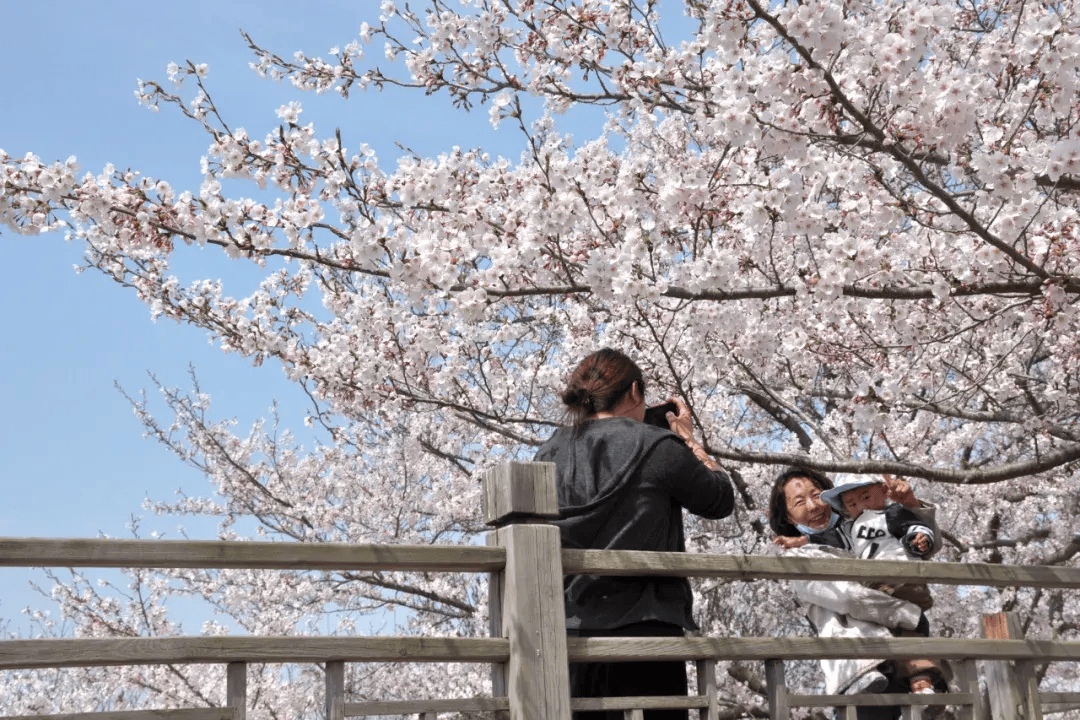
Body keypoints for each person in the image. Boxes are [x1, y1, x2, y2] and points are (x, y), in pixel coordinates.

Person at [535, 348, 735, 720]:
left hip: (571, 629)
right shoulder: (659, 446)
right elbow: (720, 499)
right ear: (634, 391)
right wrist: (689, 441)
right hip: (647, 628)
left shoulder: (549, 452)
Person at [768, 467, 941, 720]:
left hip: (903, 652)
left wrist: (911, 506)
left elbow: (924, 545)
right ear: (790, 518)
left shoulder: (862, 527)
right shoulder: (798, 557)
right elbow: (848, 597)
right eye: (799, 501)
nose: (813, 506)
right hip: (864, 663)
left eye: (816, 495)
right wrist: (906, 613)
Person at [819, 476, 945, 694]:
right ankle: (917, 680)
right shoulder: (850, 528)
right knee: (894, 631)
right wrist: (800, 542)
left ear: (884, 491)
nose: (861, 505)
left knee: (908, 625)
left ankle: (922, 679)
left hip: (900, 578)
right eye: (852, 504)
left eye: (866, 497)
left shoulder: (892, 513)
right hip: (875, 587)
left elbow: (916, 528)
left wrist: (919, 540)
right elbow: (831, 545)